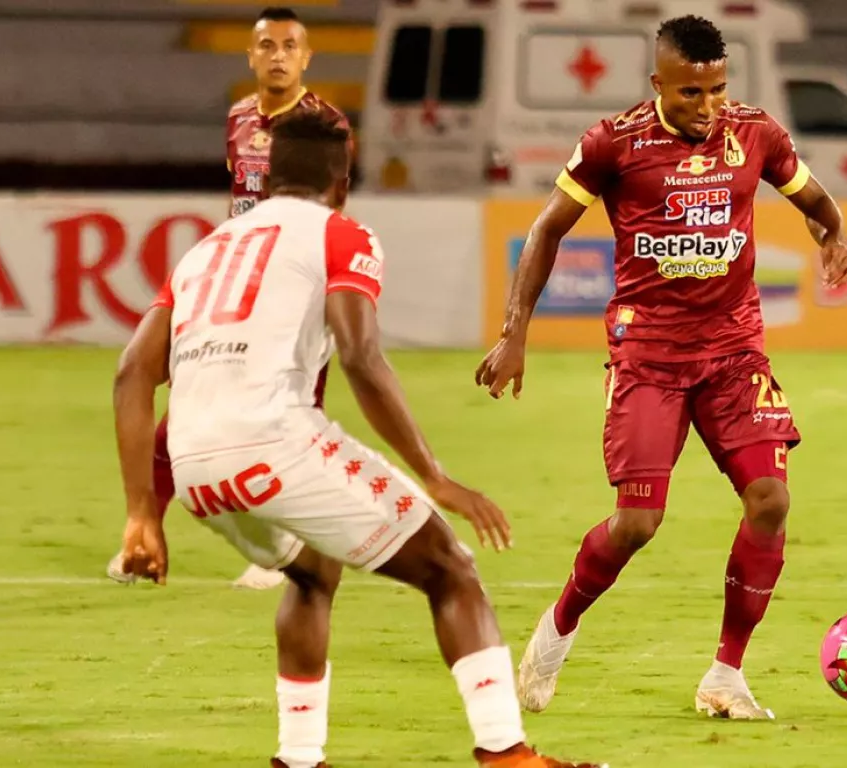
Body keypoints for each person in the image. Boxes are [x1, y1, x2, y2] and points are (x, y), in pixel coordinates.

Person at [112, 111, 604, 768]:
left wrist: (143, 513)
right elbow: (361, 356)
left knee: (311, 570)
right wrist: (434, 475)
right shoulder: (341, 234)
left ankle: (299, 756)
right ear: (343, 184)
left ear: (267, 181)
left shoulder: (206, 250)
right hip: (273, 443)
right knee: (450, 568)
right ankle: (506, 754)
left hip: (194, 465)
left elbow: (132, 373)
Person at [475, 15, 847, 720]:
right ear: (659, 83)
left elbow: (816, 202)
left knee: (771, 501)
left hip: (734, 351)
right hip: (649, 355)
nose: (707, 106)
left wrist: (831, 237)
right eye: (690, 93)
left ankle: (726, 675)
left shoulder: (756, 134)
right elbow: (547, 228)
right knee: (637, 524)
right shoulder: (613, 143)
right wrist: (513, 332)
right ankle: (556, 631)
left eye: (717, 90)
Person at [107, 5, 353, 590]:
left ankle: (284, 546)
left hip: (294, 284)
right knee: (186, 405)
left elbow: (334, 206)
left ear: (306, 57)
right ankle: (143, 532)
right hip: (236, 282)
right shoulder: (239, 117)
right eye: (267, 45)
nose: (278, 56)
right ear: (250, 56)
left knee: (293, 414)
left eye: (289, 46)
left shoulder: (326, 124)